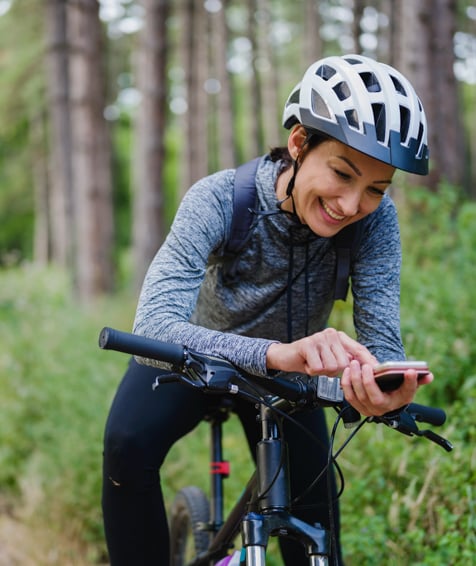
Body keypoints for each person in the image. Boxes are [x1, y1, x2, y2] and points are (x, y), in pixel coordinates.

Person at [102, 54, 432, 565]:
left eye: (375, 189)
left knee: (314, 523)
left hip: (290, 383)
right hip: (195, 359)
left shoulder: (375, 223)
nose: (350, 205)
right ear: (299, 143)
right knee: (127, 449)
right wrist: (275, 353)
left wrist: (381, 384)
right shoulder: (218, 199)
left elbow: (381, 338)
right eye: (342, 174)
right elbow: (155, 326)